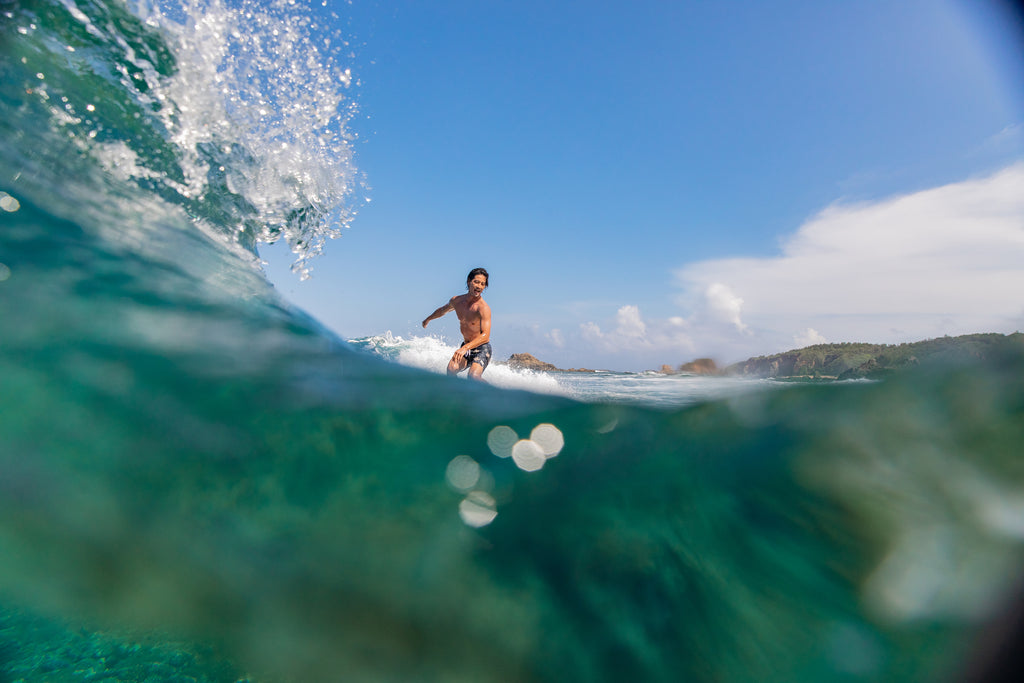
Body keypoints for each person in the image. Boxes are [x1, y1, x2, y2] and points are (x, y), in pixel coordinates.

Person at [422, 268, 492, 380]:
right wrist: (428, 319)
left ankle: (492, 394)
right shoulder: (457, 301)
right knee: (451, 370)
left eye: (483, 284)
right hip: (466, 347)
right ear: (469, 281)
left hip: (482, 348)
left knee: (473, 376)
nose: (479, 286)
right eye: (476, 282)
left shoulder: (483, 308)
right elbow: (442, 311)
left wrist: (465, 348)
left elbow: (485, 336)